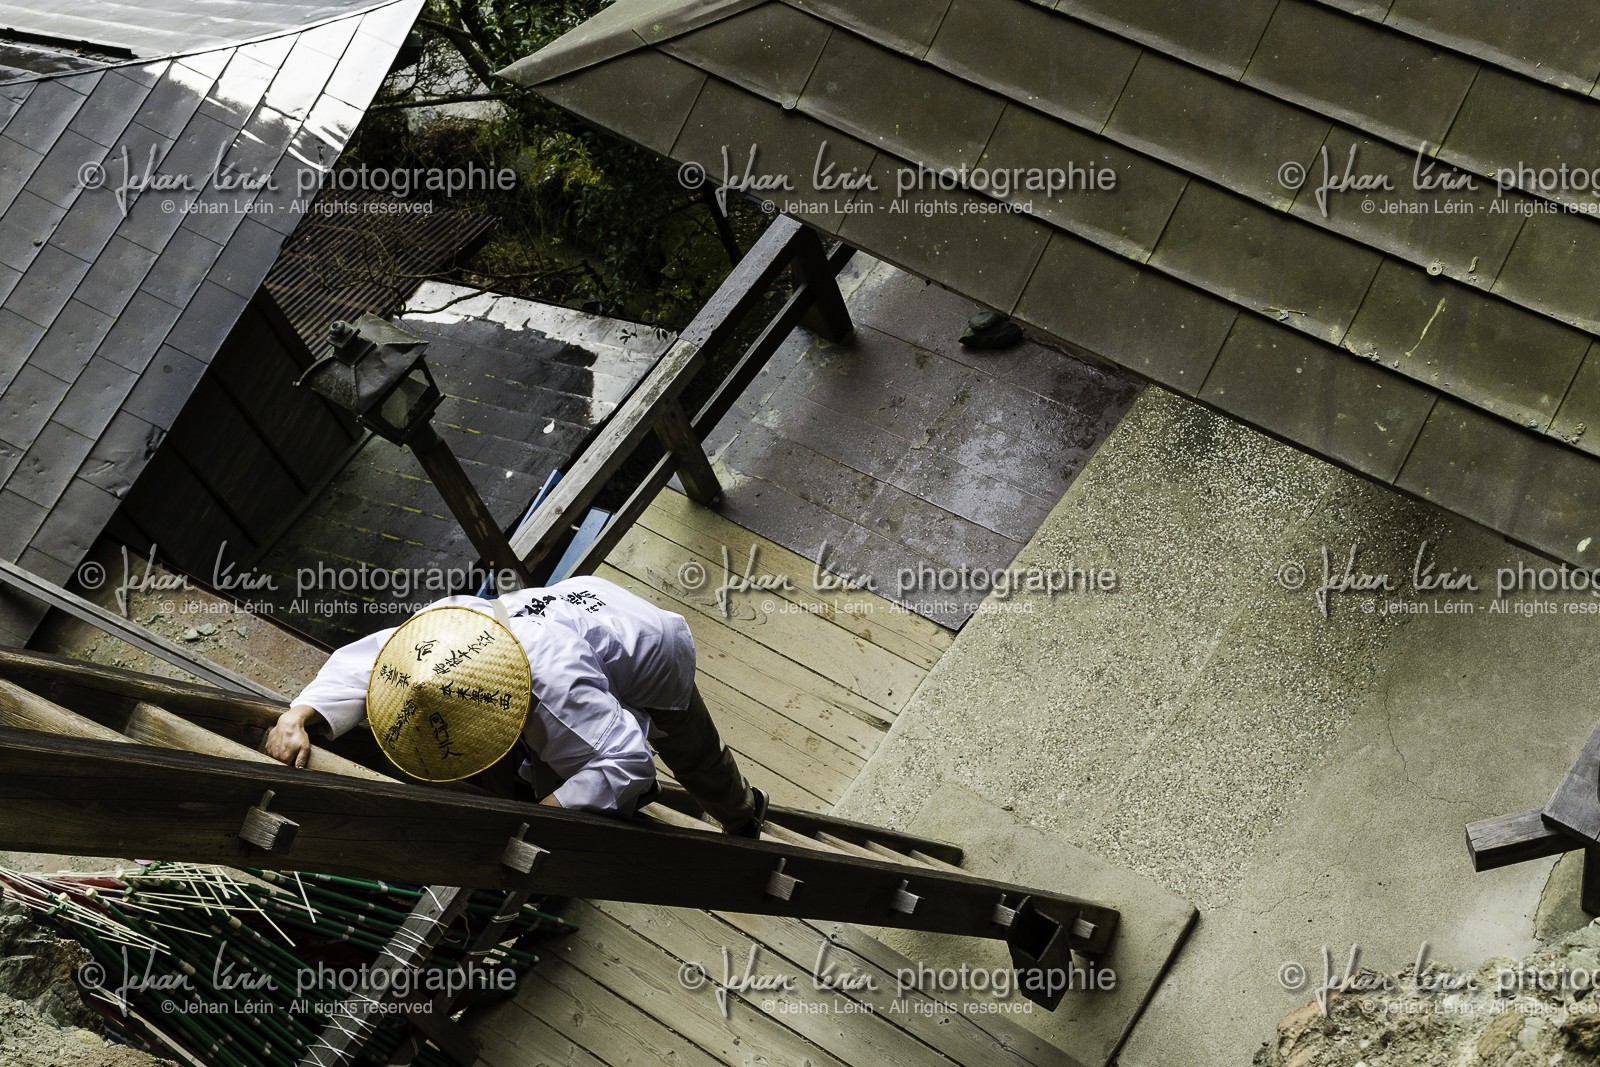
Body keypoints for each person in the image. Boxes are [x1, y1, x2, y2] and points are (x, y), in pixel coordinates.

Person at [263, 575, 768, 836]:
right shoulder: (444, 628)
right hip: (572, 606)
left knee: (694, 753)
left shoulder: (550, 687)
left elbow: (626, 759)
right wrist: (299, 713)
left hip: (645, 643)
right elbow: (378, 660)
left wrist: (549, 811)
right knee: (560, 761)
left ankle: (743, 812)